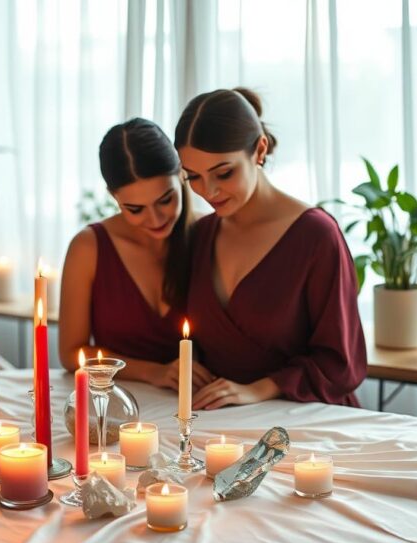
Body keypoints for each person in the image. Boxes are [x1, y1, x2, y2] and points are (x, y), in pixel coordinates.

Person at [175, 88, 366, 409]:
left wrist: (261, 389)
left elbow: (340, 362)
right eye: (193, 176)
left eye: (224, 173)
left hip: (308, 419)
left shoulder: (316, 235)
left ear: (259, 149)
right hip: (222, 421)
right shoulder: (200, 235)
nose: (207, 191)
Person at [59, 118, 214, 391]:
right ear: (113, 197)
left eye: (165, 200)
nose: (155, 219)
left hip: (200, 402)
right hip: (116, 398)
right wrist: (151, 372)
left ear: (181, 173)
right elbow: (71, 353)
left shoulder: (210, 234)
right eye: (135, 209)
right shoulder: (88, 247)